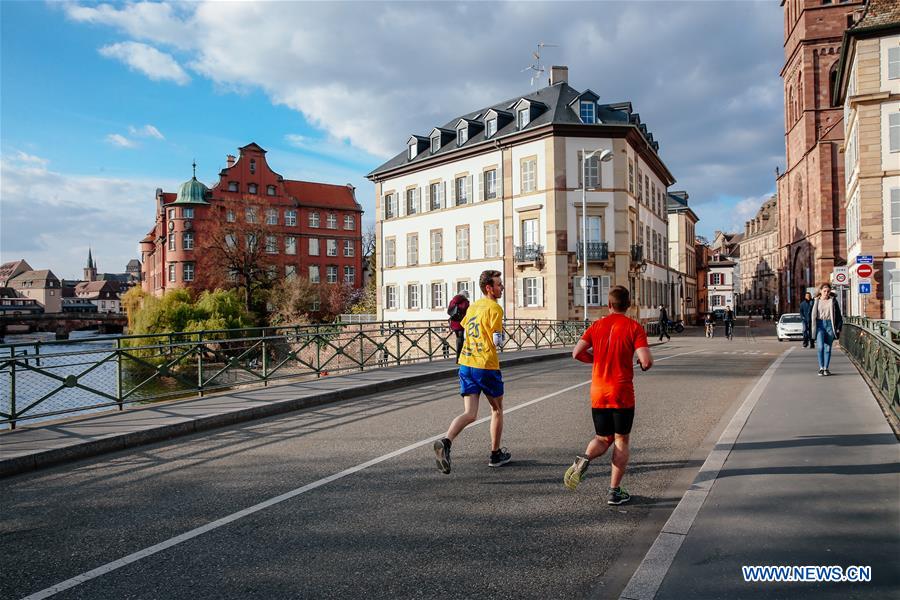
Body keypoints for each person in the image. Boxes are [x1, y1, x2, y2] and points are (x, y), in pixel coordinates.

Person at [563, 286, 653, 505]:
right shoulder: (634, 327)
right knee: (621, 440)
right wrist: (641, 362)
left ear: (609, 305)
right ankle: (614, 491)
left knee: (603, 438)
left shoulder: (596, 326)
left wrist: (596, 359)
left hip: (598, 392)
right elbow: (647, 361)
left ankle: (584, 459)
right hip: (621, 393)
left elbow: (576, 353)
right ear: (628, 305)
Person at [433, 270, 510, 474]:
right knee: (497, 410)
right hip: (485, 365)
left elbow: (464, 328)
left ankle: (446, 442)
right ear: (489, 288)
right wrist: (502, 337)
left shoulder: (473, 307)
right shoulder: (495, 308)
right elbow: (497, 340)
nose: (501, 287)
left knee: (470, 413)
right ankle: (495, 454)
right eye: (498, 284)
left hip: (466, 363)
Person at [811, 283, 843, 376]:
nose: (826, 293)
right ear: (820, 291)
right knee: (820, 347)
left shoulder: (833, 301)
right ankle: (821, 367)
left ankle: (826, 368)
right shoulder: (816, 301)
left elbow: (838, 315)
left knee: (828, 348)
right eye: (824, 291)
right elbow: (811, 314)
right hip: (819, 325)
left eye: (828, 291)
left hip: (830, 325)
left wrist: (838, 327)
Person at [447, 289, 470, 361]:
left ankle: (458, 356)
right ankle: (459, 357)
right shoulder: (465, 302)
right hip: (461, 323)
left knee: (458, 338)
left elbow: (449, 311)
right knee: (461, 339)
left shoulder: (452, 301)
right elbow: (468, 312)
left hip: (454, 322)